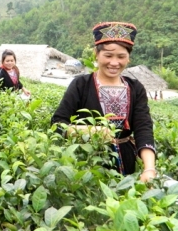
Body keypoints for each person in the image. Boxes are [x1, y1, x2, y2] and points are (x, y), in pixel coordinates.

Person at [51, 22, 156, 182]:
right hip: (87, 162)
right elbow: (57, 125)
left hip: (127, 162)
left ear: (128, 58)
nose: (114, 63)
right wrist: (91, 131)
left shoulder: (135, 88)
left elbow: (143, 128)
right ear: (96, 54)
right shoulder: (81, 85)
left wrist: (149, 169)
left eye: (121, 56)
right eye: (108, 55)